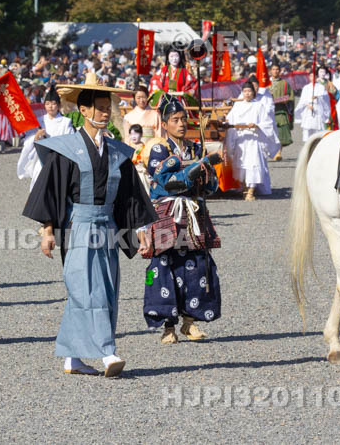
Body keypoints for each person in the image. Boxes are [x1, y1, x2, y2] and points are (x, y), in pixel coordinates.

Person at [23, 83, 155, 377]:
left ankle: (72, 358)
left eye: (108, 107)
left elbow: (131, 195)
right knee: (85, 290)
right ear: (83, 111)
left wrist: (141, 228)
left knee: (106, 289)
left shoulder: (117, 152)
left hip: (107, 226)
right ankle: (107, 351)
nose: (105, 112)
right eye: (99, 107)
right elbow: (52, 191)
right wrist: (47, 231)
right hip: (78, 226)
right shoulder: (66, 150)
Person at [143, 96, 222, 343]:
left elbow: (211, 186)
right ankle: (168, 327)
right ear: (164, 124)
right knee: (164, 266)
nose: (181, 124)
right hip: (167, 214)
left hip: (193, 214)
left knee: (199, 264)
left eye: (183, 119)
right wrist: (196, 167)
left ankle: (190, 322)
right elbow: (168, 181)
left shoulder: (195, 149)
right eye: (175, 120)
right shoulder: (158, 149)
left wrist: (207, 173)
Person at [225, 81, 278, 201]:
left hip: (254, 139)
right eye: (245, 91)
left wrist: (257, 125)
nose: (247, 94)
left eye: (249, 91)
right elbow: (230, 119)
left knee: (254, 164)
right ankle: (244, 188)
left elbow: (267, 123)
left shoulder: (259, 106)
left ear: (253, 93)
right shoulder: (237, 106)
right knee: (241, 164)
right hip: (242, 138)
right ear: (242, 93)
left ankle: (251, 191)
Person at [16, 84, 74, 191]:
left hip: (59, 159)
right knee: (38, 186)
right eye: (47, 104)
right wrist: (36, 137)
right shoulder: (38, 120)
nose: (50, 107)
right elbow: (27, 140)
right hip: (41, 159)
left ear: (59, 105)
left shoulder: (66, 122)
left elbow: (69, 141)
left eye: (53, 104)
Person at [297, 68, 332, 141]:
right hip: (308, 109)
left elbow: (325, 98)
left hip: (318, 109)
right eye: (311, 76)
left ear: (316, 77)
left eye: (314, 76)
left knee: (318, 130)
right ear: (309, 77)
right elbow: (302, 100)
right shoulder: (306, 88)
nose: (312, 78)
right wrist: (307, 105)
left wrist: (318, 97)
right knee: (308, 130)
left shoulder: (321, 87)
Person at [268, 63, 294, 159]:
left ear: (280, 71)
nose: (275, 71)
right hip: (267, 113)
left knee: (281, 132)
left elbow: (289, 96)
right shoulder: (265, 84)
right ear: (270, 71)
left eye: (277, 69)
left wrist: (277, 100)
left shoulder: (284, 83)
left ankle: (278, 153)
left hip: (280, 111)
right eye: (273, 69)